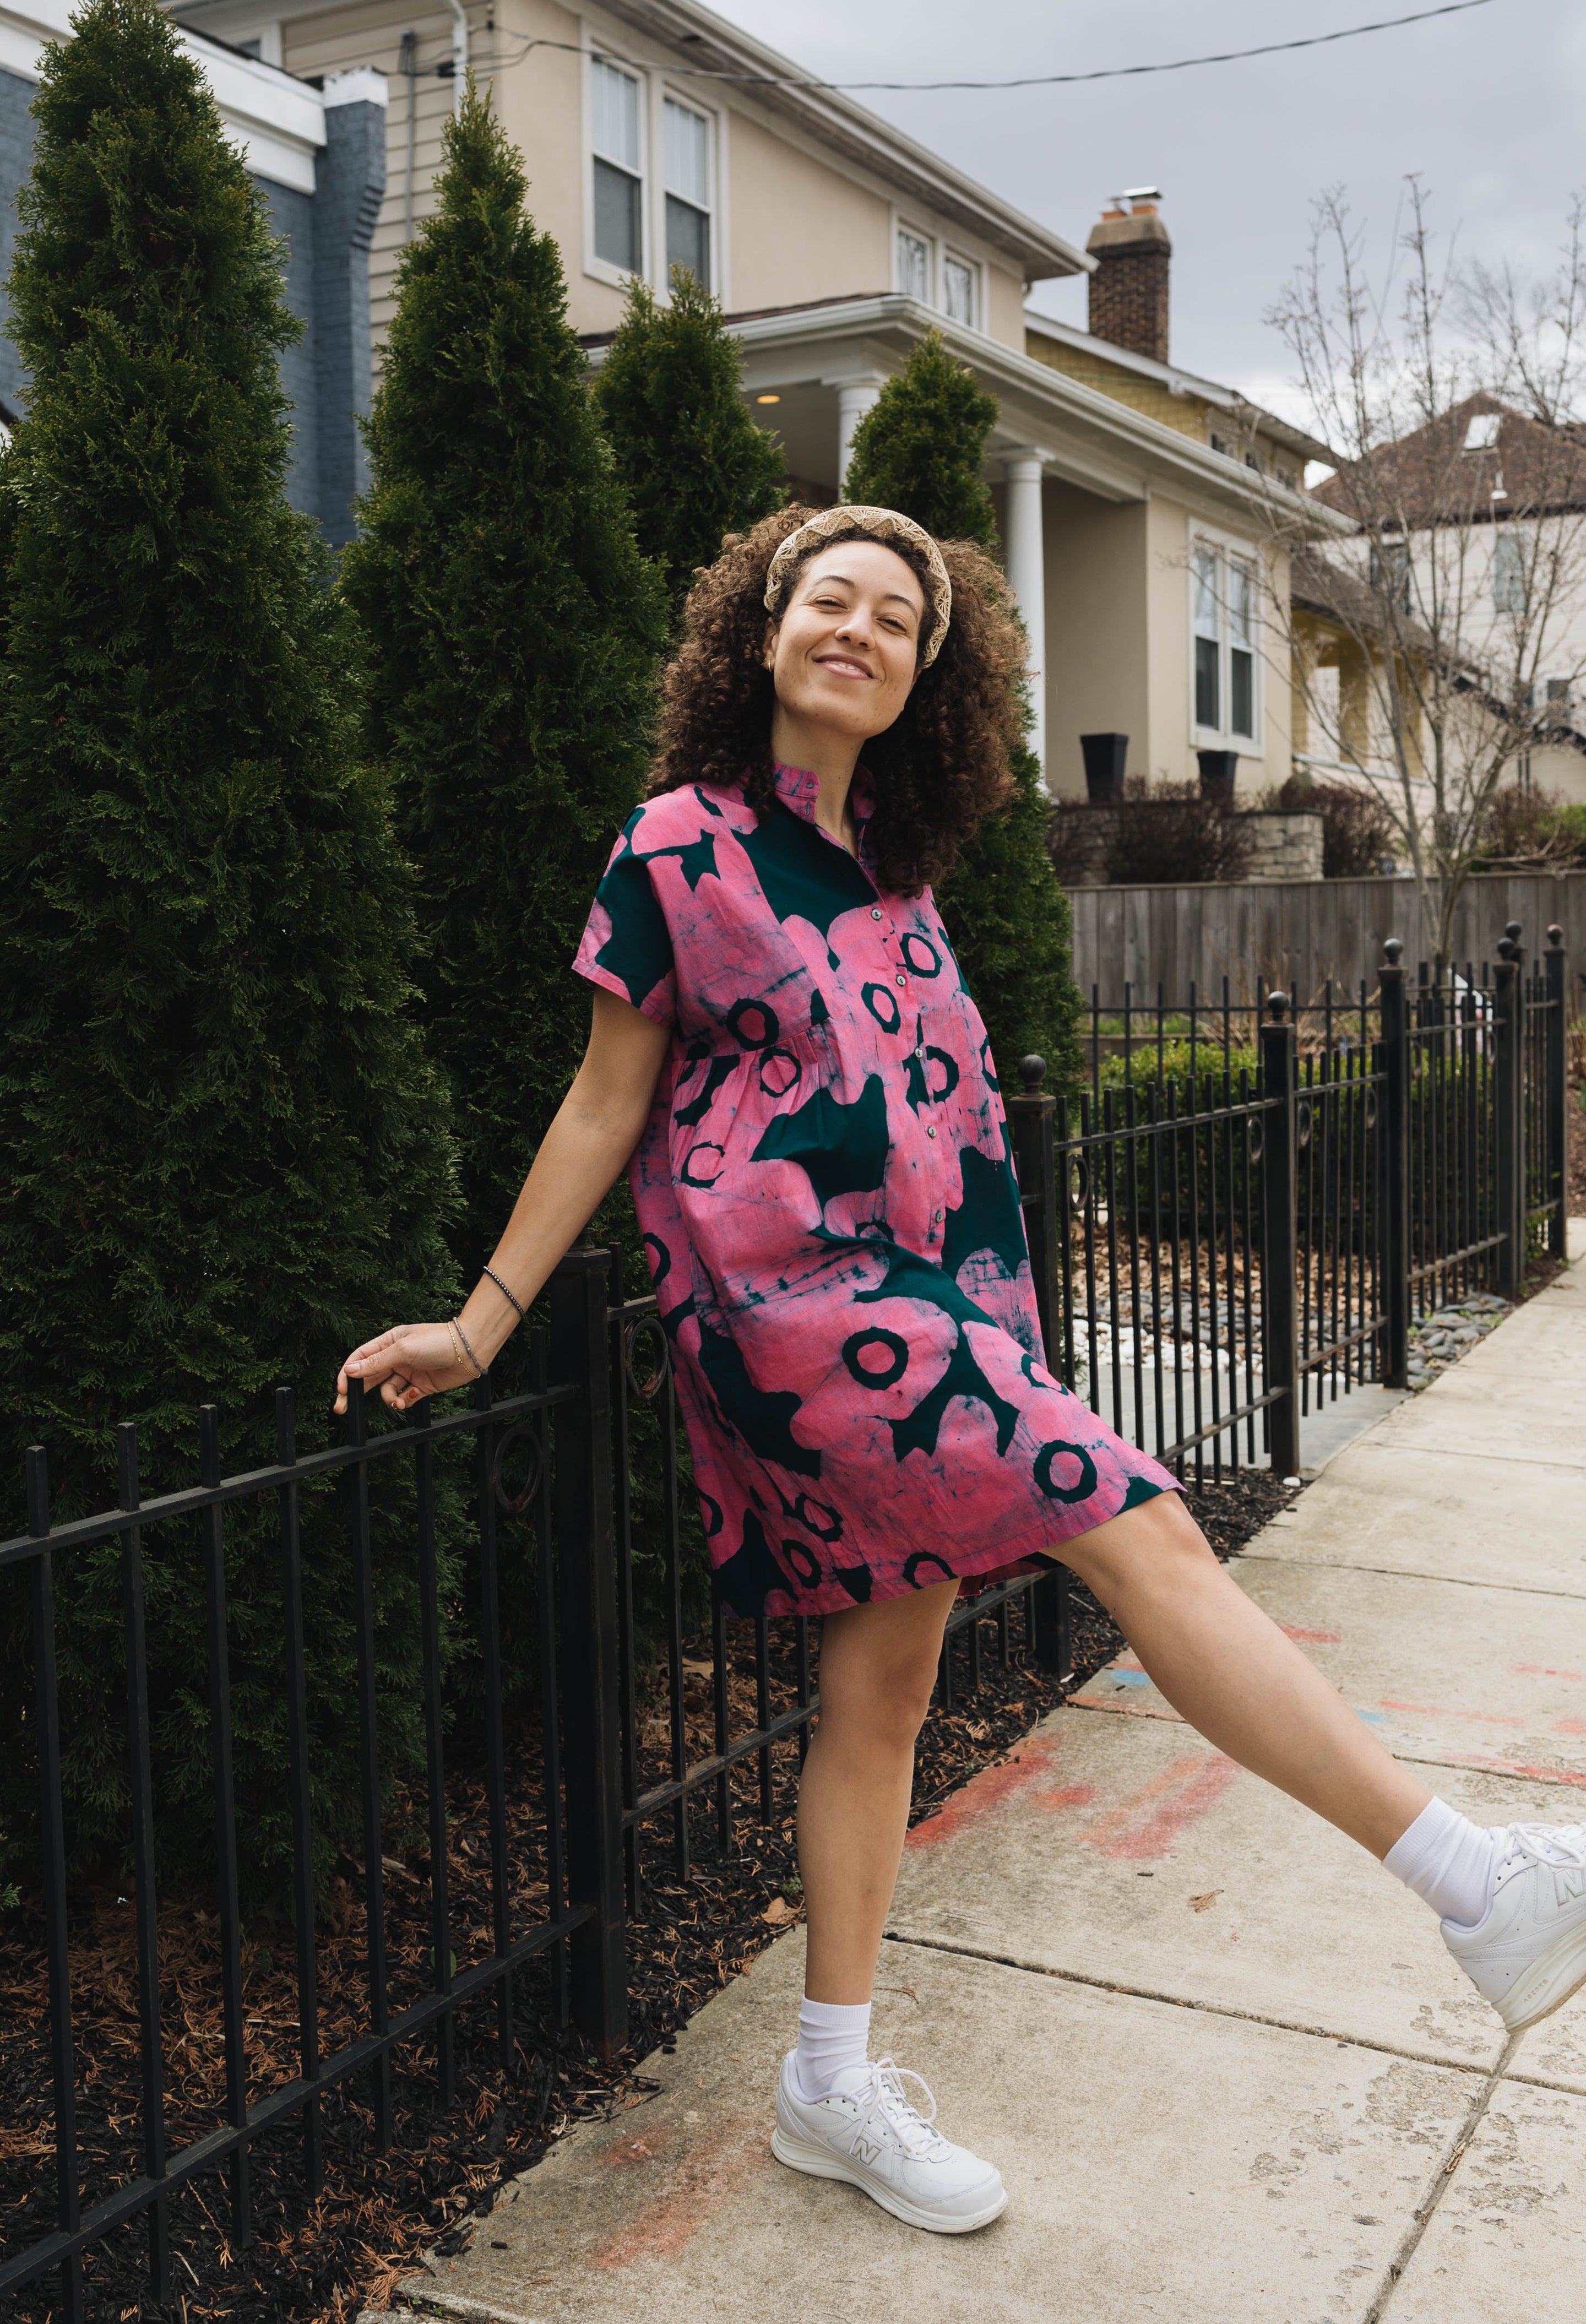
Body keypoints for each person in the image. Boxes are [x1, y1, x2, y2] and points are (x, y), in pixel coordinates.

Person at [336, 503, 1586, 2237]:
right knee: (1139, 1524)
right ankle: (1475, 1883)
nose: (858, 628)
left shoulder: (898, 875)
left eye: (896, 618)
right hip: (797, 1314)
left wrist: (996, 1313)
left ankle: (828, 2082)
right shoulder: (680, 847)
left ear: (929, 671)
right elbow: (603, 1098)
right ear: (760, 630)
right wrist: (482, 1318)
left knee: (887, 1690)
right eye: (827, 599)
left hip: (939, 1307)